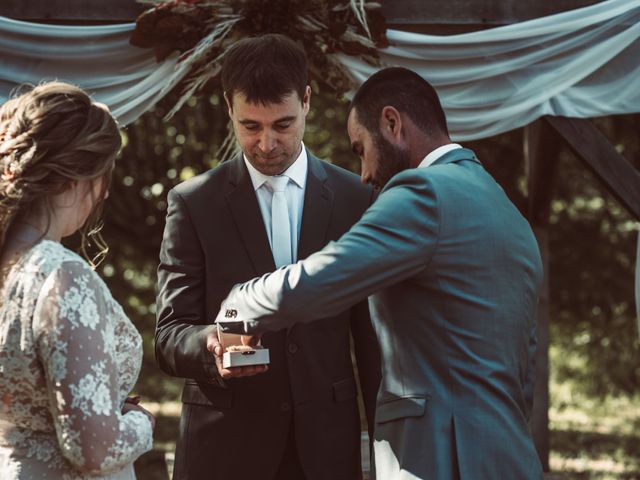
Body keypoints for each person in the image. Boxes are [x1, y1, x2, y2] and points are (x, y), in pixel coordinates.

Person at [216, 67, 544, 480]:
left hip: (440, 459)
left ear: (391, 123)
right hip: (509, 456)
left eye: (360, 149)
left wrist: (240, 300)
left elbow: (324, 280)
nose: (365, 174)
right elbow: (525, 364)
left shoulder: (424, 194)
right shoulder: (506, 211)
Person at [155, 34, 380, 480]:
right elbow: (168, 335)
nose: (266, 143)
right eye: (250, 126)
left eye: (282, 124)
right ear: (228, 107)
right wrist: (212, 345)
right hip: (223, 449)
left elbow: (374, 343)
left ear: (308, 101)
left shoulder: (357, 199)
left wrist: (390, 452)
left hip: (325, 449)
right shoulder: (193, 202)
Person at [0, 82, 155, 479]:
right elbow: (93, 450)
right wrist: (141, 422)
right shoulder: (61, 276)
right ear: (76, 178)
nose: (103, 195)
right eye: (104, 175)